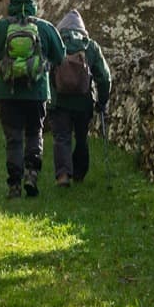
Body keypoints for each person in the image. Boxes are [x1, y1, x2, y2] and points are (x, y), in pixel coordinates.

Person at [0, 0, 64, 198]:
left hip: (8, 93)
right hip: (36, 92)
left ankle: (14, 184)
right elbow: (60, 55)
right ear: (33, 5)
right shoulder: (44, 28)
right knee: (34, 134)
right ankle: (32, 175)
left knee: (14, 138)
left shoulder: (2, 27)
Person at [47, 10, 111, 188]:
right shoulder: (90, 46)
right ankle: (80, 174)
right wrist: (102, 101)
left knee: (62, 137)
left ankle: (63, 175)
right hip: (84, 102)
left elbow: (46, 70)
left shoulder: (57, 44)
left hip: (59, 101)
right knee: (82, 138)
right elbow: (104, 77)